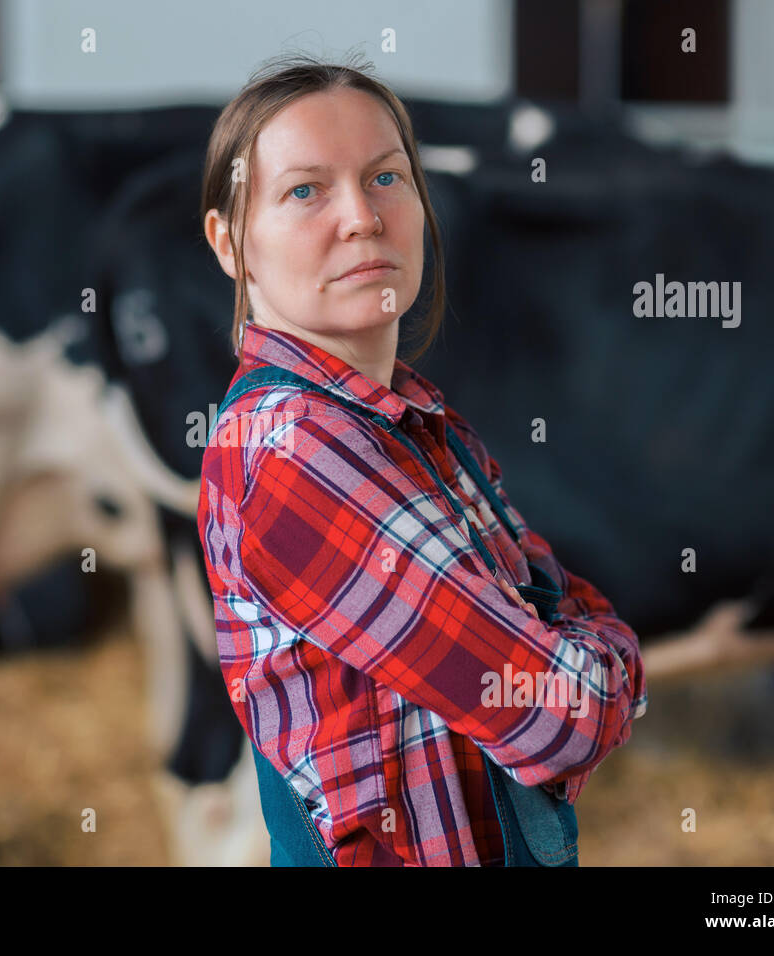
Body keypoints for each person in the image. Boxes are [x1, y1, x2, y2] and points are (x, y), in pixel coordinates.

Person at [196, 52, 647, 867]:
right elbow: (558, 716)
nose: (362, 218)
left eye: (385, 178)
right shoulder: (293, 450)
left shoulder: (421, 421)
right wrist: (597, 665)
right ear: (230, 244)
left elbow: (557, 616)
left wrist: (572, 657)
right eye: (305, 190)